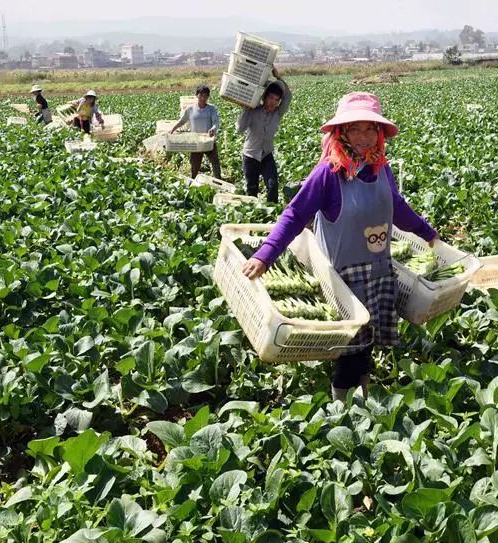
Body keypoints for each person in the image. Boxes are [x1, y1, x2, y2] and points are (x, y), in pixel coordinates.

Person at [241, 92, 439, 401]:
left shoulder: (381, 169)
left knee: (367, 343)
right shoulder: (329, 174)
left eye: (370, 129)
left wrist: (428, 233)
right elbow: (295, 214)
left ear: (379, 134)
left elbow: (397, 208)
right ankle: (341, 405)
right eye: (355, 129)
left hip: (378, 272)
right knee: (350, 350)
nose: (363, 137)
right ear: (341, 133)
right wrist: (265, 255)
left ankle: (362, 394)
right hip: (344, 280)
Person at [236, 67, 291, 202]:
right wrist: (245, 109)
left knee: (273, 185)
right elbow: (239, 129)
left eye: (276, 100)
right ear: (265, 97)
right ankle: (253, 217)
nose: (273, 102)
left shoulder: (277, 113)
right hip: (250, 155)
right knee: (251, 188)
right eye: (271, 98)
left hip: (266, 155)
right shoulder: (253, 111)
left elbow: (289, 96)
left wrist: (279, 77)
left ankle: (272, 214)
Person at [171, 85, 222, 179]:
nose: (203, 98)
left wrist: (213, 129)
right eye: (201, 95)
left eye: (206, 96)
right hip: (196, 141)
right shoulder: (190, 109)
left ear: (208, 97)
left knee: (215, 163)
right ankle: (193, 181)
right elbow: (182, 121)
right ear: (196, 95)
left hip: (209, 140)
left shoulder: (211, 109)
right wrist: (173, 129)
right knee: (194, 165)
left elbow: (216, 123)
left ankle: (219, 181)